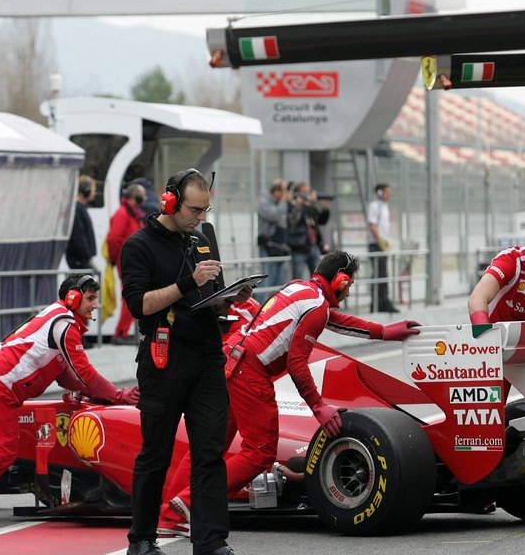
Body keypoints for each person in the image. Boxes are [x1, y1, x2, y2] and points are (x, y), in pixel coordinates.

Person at [157, 251, 419, 536]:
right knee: (260, 453)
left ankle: (168, 516)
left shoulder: (300, 288)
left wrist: (382, 331)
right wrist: (318, 406)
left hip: (231, 360)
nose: (349, 291)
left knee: (209, 445)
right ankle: (187, 504)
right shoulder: (316, 305)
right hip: (250, 372)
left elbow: (332, 318)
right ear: (341, 281)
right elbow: (296, 363)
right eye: (350, 284)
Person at [120, 167, 257, 555]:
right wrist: (187, 283)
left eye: (205, 209)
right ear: (169, 202)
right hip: (164, 356)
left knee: (211, 452)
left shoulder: (202, 237)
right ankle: (141, 539)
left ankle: (211, 544)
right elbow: (138, 306)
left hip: (207, 354)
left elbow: (211, 293)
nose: (200, 216)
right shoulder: (139, 245)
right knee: (156, 452)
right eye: (195, 209)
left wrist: (230, 298)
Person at [0, 274, 138, 530]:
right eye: (91, 298)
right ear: (73, 297)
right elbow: (85, 372)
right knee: (2, 453)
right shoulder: (65, 324)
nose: (95, 305)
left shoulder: (56, 318)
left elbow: (65, 375)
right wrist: (118, 396)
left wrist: (93, 392)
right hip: (0, 386)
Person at [106, 182, 146, 345]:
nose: (144, 199)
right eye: (142, 195)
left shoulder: (131, 214)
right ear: (135, 197)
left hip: (131, 261)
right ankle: (121, 332)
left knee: (131, 295)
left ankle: (122, 331)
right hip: (128, 262)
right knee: (131, 296)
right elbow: (113, 239)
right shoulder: (124, 214)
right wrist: (118, 259)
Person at [367, 183, 398, 313]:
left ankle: (383, 301)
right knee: (379, 274)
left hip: (382, 244)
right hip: (376, 244)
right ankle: (378, 302)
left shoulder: (385, 207)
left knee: (383, 273)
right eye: (386, 191)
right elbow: (372, 224)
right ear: (380, 193)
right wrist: (380, 239)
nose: (388, 194)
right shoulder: (375, 206)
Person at [257, 179, 290, 289]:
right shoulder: (264, 203)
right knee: (268, 279)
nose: (284, 194)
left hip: (280, 246)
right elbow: (275, 216)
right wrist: (284, 202)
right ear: (276, 191)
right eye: (283, 191)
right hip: (268, 246)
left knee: (279, 280)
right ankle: (261, 304)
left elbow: (290, 220)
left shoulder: (280, 204)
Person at [65, 175, 98, 271]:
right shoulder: (76, 210)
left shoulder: (80, 209)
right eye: (93, 190)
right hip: (79, 261)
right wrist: (88, 257)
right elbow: (78, 237)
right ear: (86, 191)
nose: (94, 193)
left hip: (82, 260)